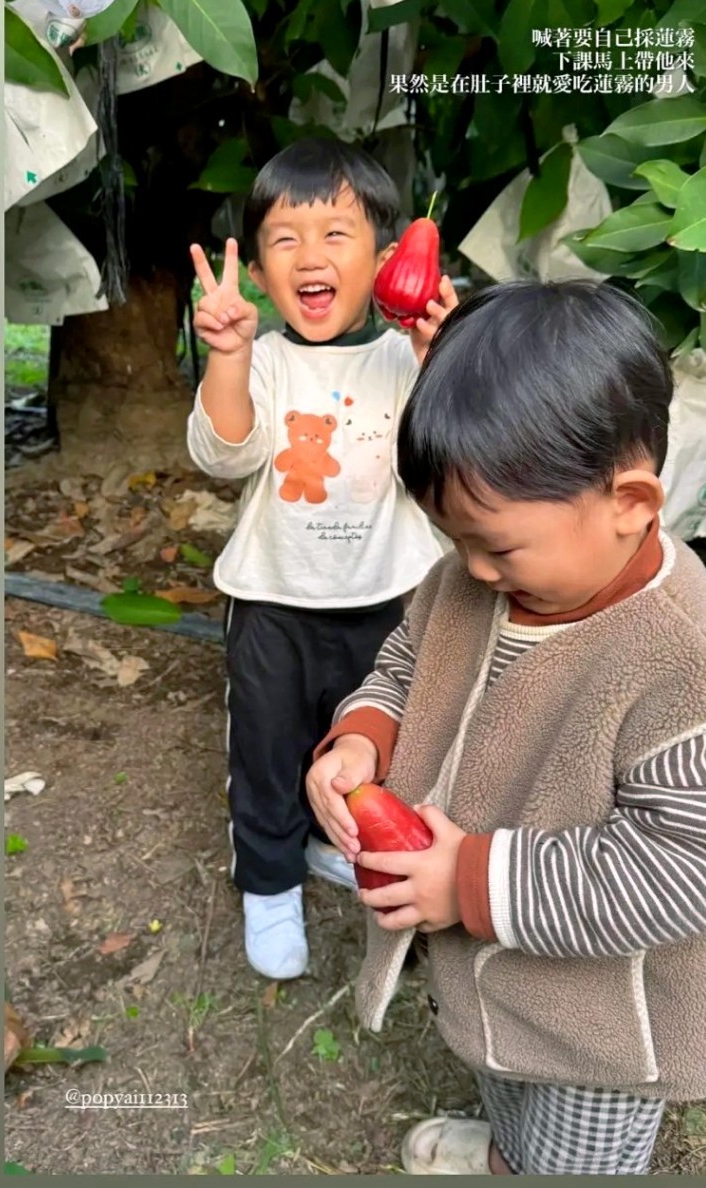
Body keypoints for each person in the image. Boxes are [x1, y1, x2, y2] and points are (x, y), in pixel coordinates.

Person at [307, 280, 706, 1176]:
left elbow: (688, 870)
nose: (474, 570)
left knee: (574, 1157)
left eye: (498, 545)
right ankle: (506, 1148)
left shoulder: (680, 658)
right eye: (455, 540)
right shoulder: (480, 577)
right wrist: (361, 738)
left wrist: (473, 882)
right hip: (493, 979)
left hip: (598, 1029)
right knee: (500, 1075)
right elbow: (407, 663)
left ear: (631, 503)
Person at [186, 137, 458, 982]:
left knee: (380, 751)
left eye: (337, 234)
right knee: (267, 753)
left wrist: (441, 357)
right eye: (285, 238)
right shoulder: (261, 362)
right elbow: (224, 455)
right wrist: (226, 357)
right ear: (261, 274)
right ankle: (269, 881)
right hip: (273, 599)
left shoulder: (400, 358)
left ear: (382, 257)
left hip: (391, 601)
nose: (311, 256)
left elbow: (453, 455)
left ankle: (358, 852)